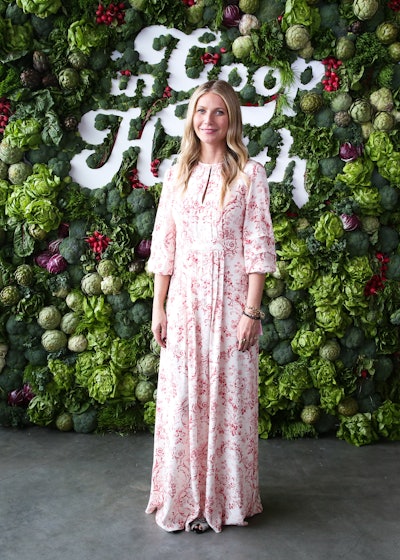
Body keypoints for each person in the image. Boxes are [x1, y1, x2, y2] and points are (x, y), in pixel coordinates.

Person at [145, 79, 276, 533]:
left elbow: (258, 247)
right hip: (184, 306)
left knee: (229, 399)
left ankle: (225, 501)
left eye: (218, 112)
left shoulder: (249, 174)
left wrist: (251, 312)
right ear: (191, 119)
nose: (208, 121)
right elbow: (165, 247)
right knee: (182, 400)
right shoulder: (176, 174)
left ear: (232, 119)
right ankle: (183, 499)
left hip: (231, 306)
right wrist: (158, 306)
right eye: (201, 112)